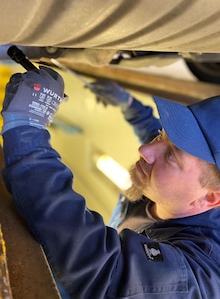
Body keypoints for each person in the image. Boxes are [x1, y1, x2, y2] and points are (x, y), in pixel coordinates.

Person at [1, 68, 220, 299]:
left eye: (171, 156)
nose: (145, 150)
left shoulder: (201, 275)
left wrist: (25, 129)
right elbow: (151, 129)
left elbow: (105, 271)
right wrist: (127, 103)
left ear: (210, 197)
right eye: (161, 135)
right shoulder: (177, 187)